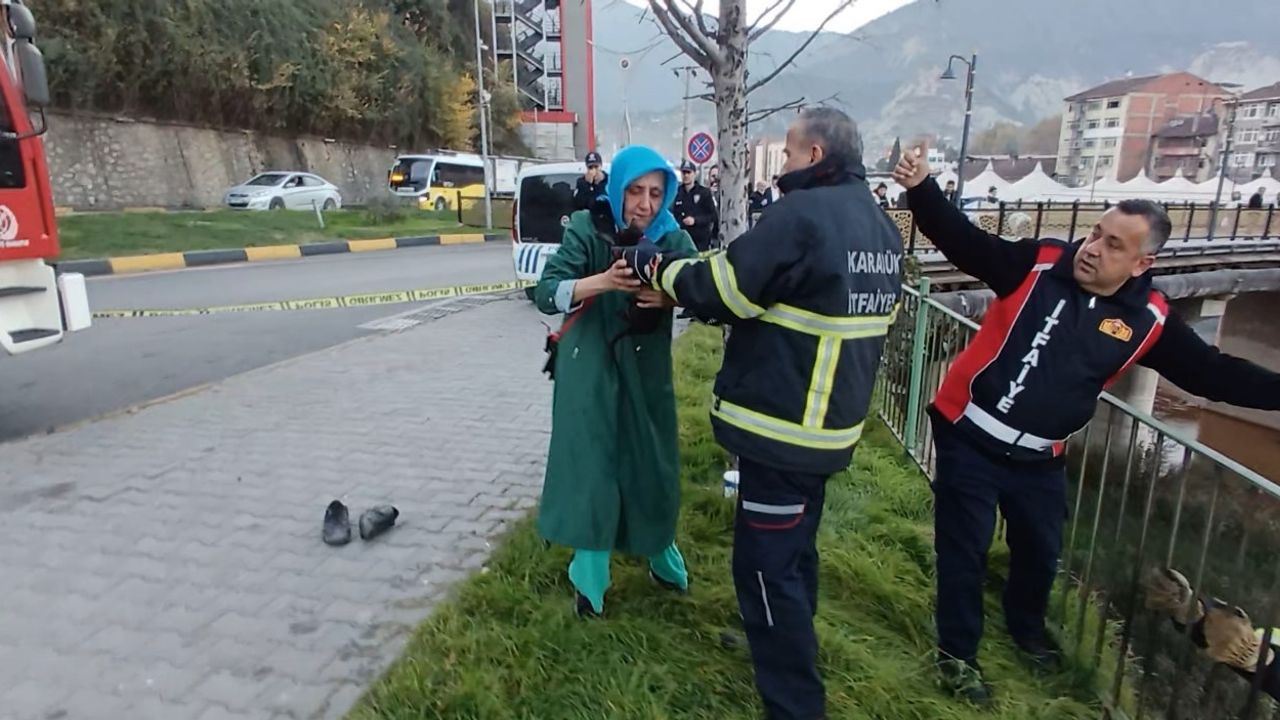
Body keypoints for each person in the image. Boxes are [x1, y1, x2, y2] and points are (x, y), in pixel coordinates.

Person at [892, 145, 1280, 707]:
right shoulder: (1038, 263)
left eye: (1113, 245)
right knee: (964, 551)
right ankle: (958, 657)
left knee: (1040, 552)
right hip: (969, 438)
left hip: (1040, 459)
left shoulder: (1149, 320)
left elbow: (1212, 373)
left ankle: (1026, 631)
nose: (1092, 248)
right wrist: (922, 187)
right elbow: (964, 242)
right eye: (1096, 233)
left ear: (1142, 264)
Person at [622, 107, 903, 720]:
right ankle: (777, 643)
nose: (783, 166)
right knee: (796, 555)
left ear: (816, 155)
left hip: (783, 430)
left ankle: (795, 702)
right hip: (830, 428)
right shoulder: (880, 225)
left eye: (791, 153)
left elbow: (724, 288)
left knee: (765, 569)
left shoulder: (802, 215)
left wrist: (658, 268)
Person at [533, 144, 697, 618]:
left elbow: (701, 290)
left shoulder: (674, 239)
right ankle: (589, 573)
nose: (644, 204)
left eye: (655, 193)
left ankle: (659, 550)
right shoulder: (588, 228)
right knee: (594, 466)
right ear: (618, 187)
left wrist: (669, 298)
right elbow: (546, 292)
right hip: (590, 367)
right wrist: (604, 281)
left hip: (647, 371)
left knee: (651, 462)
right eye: (635, 191)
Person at [672, 159, 719, 253]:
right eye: (684, 173)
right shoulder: (677, 193)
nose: (686, 175)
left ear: (694, 174)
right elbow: (674, 214)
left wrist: (695, 220)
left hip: (700, 240)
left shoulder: (704, 193)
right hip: (683, 239)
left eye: (688, 172)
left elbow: (713, 216)